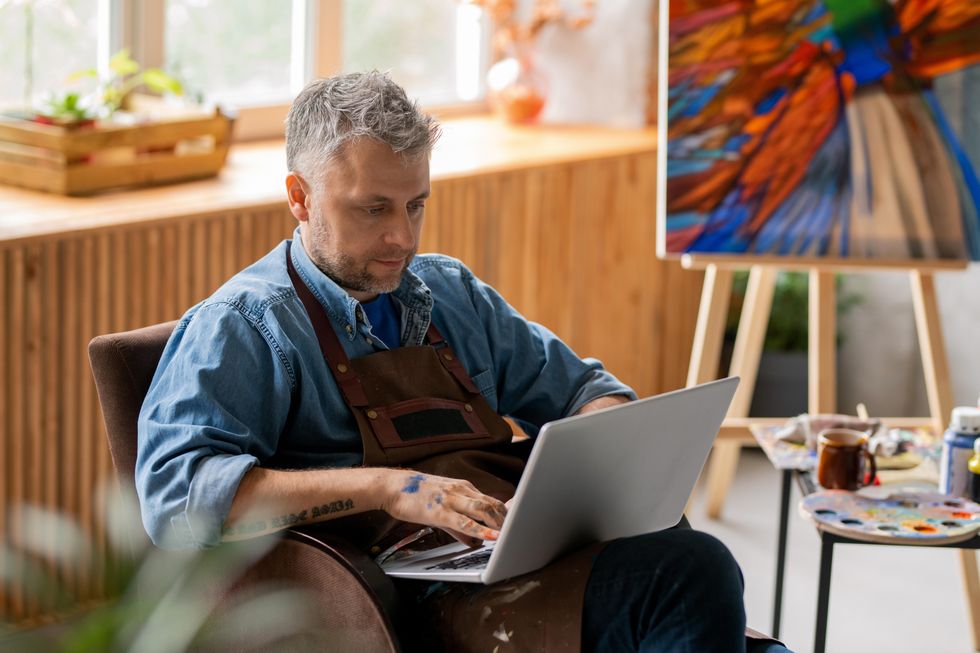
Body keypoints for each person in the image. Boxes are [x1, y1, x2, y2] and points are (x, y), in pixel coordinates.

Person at [137, 71, 789, 652]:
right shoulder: (244, 326)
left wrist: (606, 450)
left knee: (696, 573)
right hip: (399, 607)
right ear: (300, 197)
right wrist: (390, 487)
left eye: (416, 204)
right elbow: (175, 500)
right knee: (688, 572)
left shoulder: (447, 292)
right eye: (373, 209)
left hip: (514, 561)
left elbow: (585, 388)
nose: (404, 237)